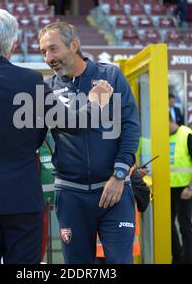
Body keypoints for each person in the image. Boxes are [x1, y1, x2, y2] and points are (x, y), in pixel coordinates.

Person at [0, 10, 113, 264]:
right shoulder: (31, 81)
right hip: (23, 202)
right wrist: (96, 103)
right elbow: (73, 124)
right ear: (13, 44)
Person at [39, 22, 141, 264]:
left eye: (53, 49)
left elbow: (130, 126)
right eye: (43, 52)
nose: (48, 58)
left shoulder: (111, 76)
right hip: (71, 196)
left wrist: (119, 174)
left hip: (114, 191)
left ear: (74, 45)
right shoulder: (47, 90)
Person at [169, 113, 192, 264]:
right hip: (168, 188)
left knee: (185, 226)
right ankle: (177, 258)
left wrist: (190, 187)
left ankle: (188, 261)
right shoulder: (163, 137)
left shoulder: (186, 134)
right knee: (167, 225)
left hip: (185, 188)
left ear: (169, 121)